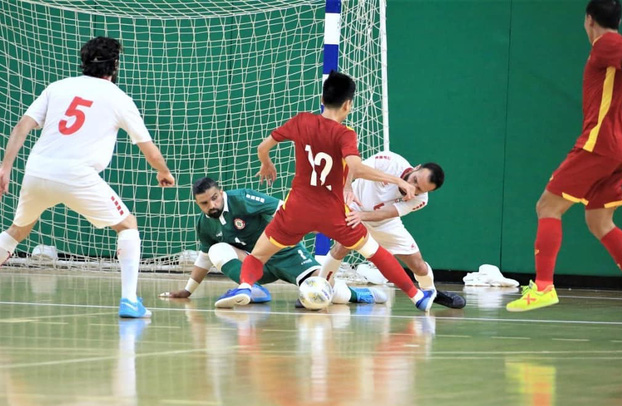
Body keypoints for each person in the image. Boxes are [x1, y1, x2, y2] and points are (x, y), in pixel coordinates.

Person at [215, 70, 436, 312]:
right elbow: (356, 168)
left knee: (258, 256)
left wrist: (266, 163)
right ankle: (417, 296)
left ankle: (245, 286)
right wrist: (399, 181)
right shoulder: (345, 134)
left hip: (297, 209)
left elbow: (262, 147)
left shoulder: (301, 121)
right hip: (332, 212)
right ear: (348, 104)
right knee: (375, 252)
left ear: (323, 99)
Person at [0, 36, 175, 318]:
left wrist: (4, 168)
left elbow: (22, 126)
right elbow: (148, 148)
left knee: (17, 232)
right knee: (128, 225)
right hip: (76, 176)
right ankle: (130, 301)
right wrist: (163, 172)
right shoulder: (118, 98)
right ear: (115, 65)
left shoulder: (58, 87)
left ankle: (131, 301)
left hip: (37, 171)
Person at [506, 0, 622, 327]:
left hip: (600, 143)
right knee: (600, 222)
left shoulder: (607, 43)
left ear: (589, 20)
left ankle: (543, 287)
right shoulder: (611, 47)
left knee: (548, 207)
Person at [159, 177, 387, 306]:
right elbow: (204, 258)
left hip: (284, 253)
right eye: (204, 203)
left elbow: (283, 208)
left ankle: (362, 295)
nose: (211, 206)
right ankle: (251, 289)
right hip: (254, 265)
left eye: (214, 198)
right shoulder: (204, 223)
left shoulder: (243, 199)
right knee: (217, 250)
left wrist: (305, 229)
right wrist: (188, 291)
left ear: (221, 192)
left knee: (317, 295)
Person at [317, 151, 466, 309]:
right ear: (416, 168)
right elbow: (355, 168)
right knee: (341, 247)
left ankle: (430, 293)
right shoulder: (389, 160)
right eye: (414, 180)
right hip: (353, 205)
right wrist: (347, 188)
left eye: (419, 189)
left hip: (384, 223)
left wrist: (362, 216)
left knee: (417, 264)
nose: (412, 187)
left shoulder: (421, 200)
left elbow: (387, 213)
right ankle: (320, 287)